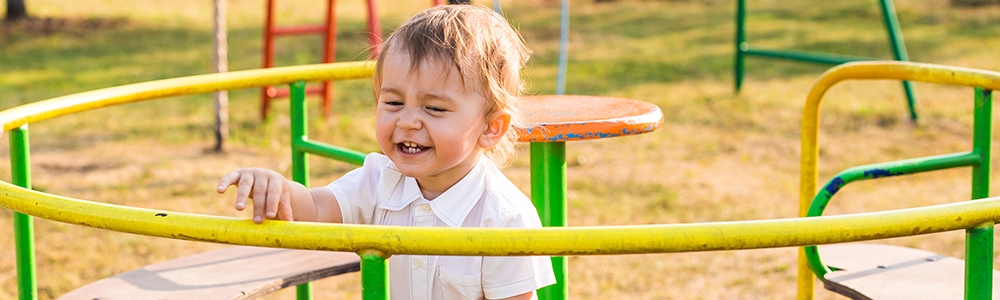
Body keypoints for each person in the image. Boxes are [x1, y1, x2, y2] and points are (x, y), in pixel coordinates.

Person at [215, 4, 556, 300]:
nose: (407, 121)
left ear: (490, 127)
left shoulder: (504, 218)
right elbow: (316, 209)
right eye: (393, 102)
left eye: (434, 108)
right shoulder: (378, 180)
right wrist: (278, 190)